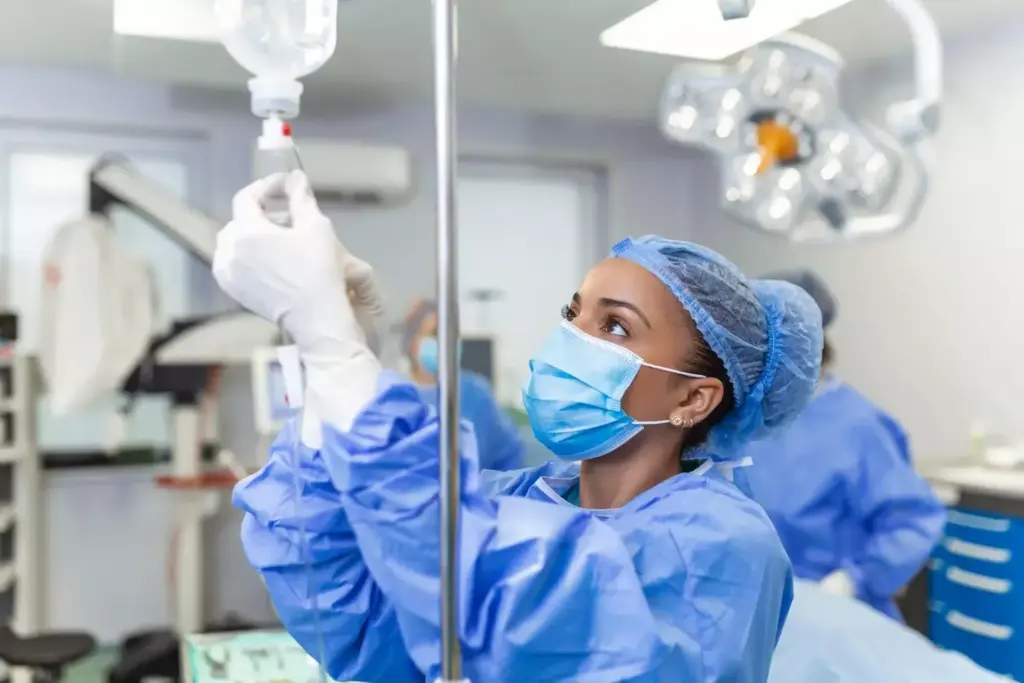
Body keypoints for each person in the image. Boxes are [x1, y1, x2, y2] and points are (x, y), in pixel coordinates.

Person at [213, 171, 823, 682]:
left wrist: (336, 348)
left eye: (615, 328)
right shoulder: (522, 502)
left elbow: (508, 602)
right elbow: (361, 617)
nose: (571, 339)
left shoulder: (720, 547)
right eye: (573, 314)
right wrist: (333, 366)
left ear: (694, 397)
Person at [734, 270, 946, 622]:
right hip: (758, 619)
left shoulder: (857, 426)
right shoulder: (745, 420)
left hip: (841, 621)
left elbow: (913, 520)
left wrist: (851, 581)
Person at [401, 298, 524, 471]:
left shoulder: (474, 393)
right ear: (414, 343)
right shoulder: (397, 399)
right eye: (436, 333)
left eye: (453, 333)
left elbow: (507, 456)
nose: (447, 341)